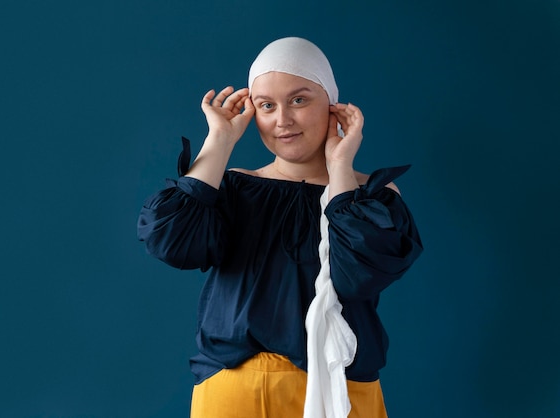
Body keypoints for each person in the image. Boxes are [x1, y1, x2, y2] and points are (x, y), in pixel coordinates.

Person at [137, 37, 423, 418]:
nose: (282, 120)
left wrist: (339, 168)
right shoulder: (232, 187)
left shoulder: (371, 198)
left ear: (332, 104)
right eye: (266, 105)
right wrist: (219, 141)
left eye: (299, 100)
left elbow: (357, 275)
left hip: (342, 389)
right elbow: (169, 241)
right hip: (233, 390)